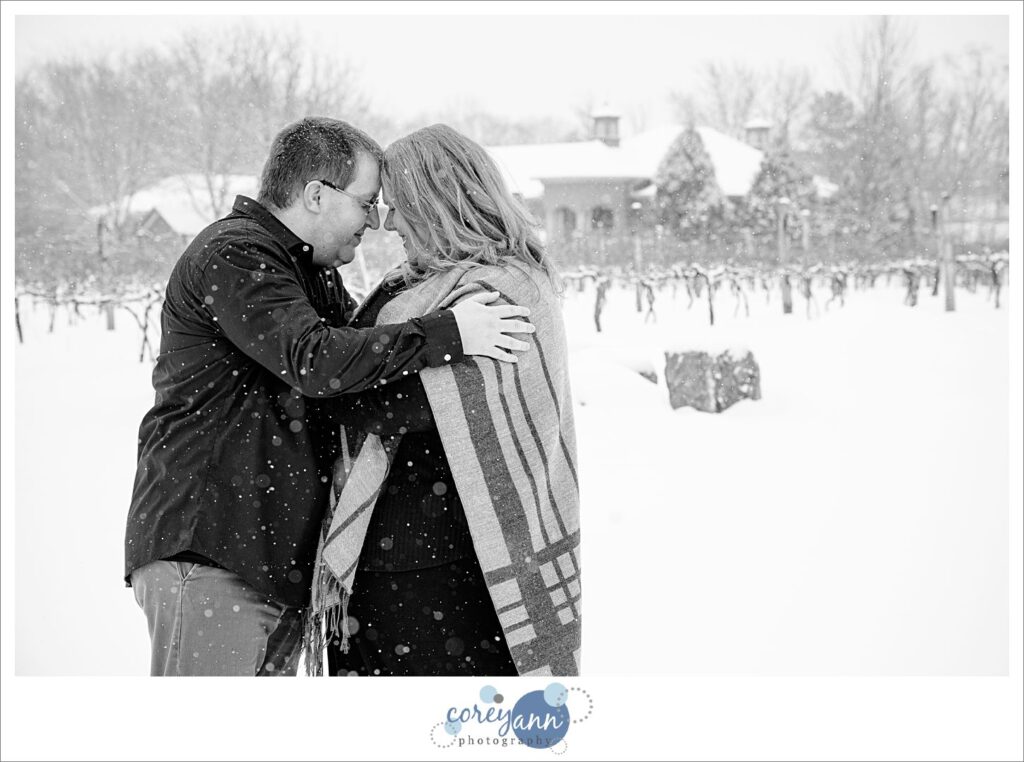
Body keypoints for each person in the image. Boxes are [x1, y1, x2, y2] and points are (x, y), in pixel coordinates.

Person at [123, 117, 535, 677]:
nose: (377, 224)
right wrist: (449, 333)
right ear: (317, 193)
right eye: (368, 204)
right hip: (211, 552)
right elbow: (318, 363)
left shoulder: (305, 270)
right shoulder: (237, 254)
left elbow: (365, 383)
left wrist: (460, 385)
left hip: (267, 562)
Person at [305, 124, 581, 677]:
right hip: (394, 564)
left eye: (398, 206)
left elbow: (398, 407)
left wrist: (343, 380)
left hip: (446, 570)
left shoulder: (501, 291)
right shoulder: (418, 289)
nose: (389, 223)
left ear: (437, 203)